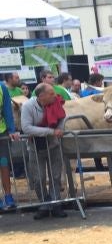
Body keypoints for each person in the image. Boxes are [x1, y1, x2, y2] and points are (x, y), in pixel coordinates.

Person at [20, 84, 68, 219]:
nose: (55, 95)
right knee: (38, 178)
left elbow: (62, 118)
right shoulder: (28, 106)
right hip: (35, 147)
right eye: (51, 93)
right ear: (42, 96)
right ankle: (45, 203)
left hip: (53, 145)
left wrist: (59, 129)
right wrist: (51, 131)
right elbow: (26, 128)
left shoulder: (56, 103)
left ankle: (56, 203)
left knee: (56, 176)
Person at [0, 77, 21, 210]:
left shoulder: (2, 88)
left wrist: (12, 129)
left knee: (4, 164)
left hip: (2, 132)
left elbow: (7, 109)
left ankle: (8, 196)